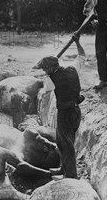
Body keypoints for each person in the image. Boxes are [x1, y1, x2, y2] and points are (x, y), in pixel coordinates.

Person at [33, 34, 85, 179]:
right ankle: (64, 169)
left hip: (65, 113)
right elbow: (82, 55)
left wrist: (48, 76)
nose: (44, 71)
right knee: (64, 142)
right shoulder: (73, 68)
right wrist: (77, 42)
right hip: (75, 111)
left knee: (66, 144)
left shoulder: (51, 80)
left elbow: (46, 90)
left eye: (45, 69)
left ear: (50, 68)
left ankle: (71, 175)